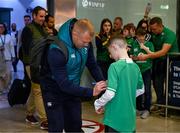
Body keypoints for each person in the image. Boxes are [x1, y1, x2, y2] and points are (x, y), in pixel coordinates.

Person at [40, 18, 106, 132]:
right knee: (57, 127)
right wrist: (91, 92)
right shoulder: (56, 50)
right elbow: (64, 84)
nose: (86, 45)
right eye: (84, 42)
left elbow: (92, 65)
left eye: (88, 42)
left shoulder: (86, 44)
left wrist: (104, 84)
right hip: (53, 89)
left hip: (73, 88)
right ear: (74, 34)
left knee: (75, 125)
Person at [94, 36, 144, 132]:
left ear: (114, 47)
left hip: (114, 119)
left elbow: (110, 93)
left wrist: (98, 103)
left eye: (110, 52)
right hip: (130, 120)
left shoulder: (114, 66)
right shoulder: (136, 67)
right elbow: (141, 89)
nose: (110, 56)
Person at [138, 17, 179, 106]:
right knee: (157, 82)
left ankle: (169, 103)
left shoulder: (169, 34)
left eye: (154, 29)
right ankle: (160, 102)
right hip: (158, 60)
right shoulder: (152, 34)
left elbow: (163, 52)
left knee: (169, 83)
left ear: (160, 26)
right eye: (151, 29)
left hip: (171, 61)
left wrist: (147, 56)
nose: (152, 31)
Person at [21, 6, 48, 129]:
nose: (43, 19)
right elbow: (27, 50)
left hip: (40, 64)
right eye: (41, 16)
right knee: (38, 90)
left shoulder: (42, 29)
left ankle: (29, 114)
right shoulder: (28, 29)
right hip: (32, 64)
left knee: (34, 89)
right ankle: (44, 120)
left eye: (44, 16)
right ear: (34, 15)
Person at [130, 28, 154, 119]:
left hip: (146, 70)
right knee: (138, 89)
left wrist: (145, 48)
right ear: (136, 36)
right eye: (139, 36)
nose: (141, 38)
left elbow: (152, 54)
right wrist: (135, 57)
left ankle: (147, 109)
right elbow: (132, 56)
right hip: (136, 71)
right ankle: (139, 108)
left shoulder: (149, 44)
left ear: (145, 36)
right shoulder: (134, 44)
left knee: (147, 90)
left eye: (142, 36)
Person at [0, 22, 15, 93]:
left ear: (5, 28)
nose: (1, 28)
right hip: (0, 59)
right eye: (0, 27)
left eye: (2, 27)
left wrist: (13, 56)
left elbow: (11, 47)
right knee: (1, 74)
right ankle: (1, 89)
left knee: (8, 74)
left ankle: (7, 87)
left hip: (8, 57)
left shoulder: (8, 36)